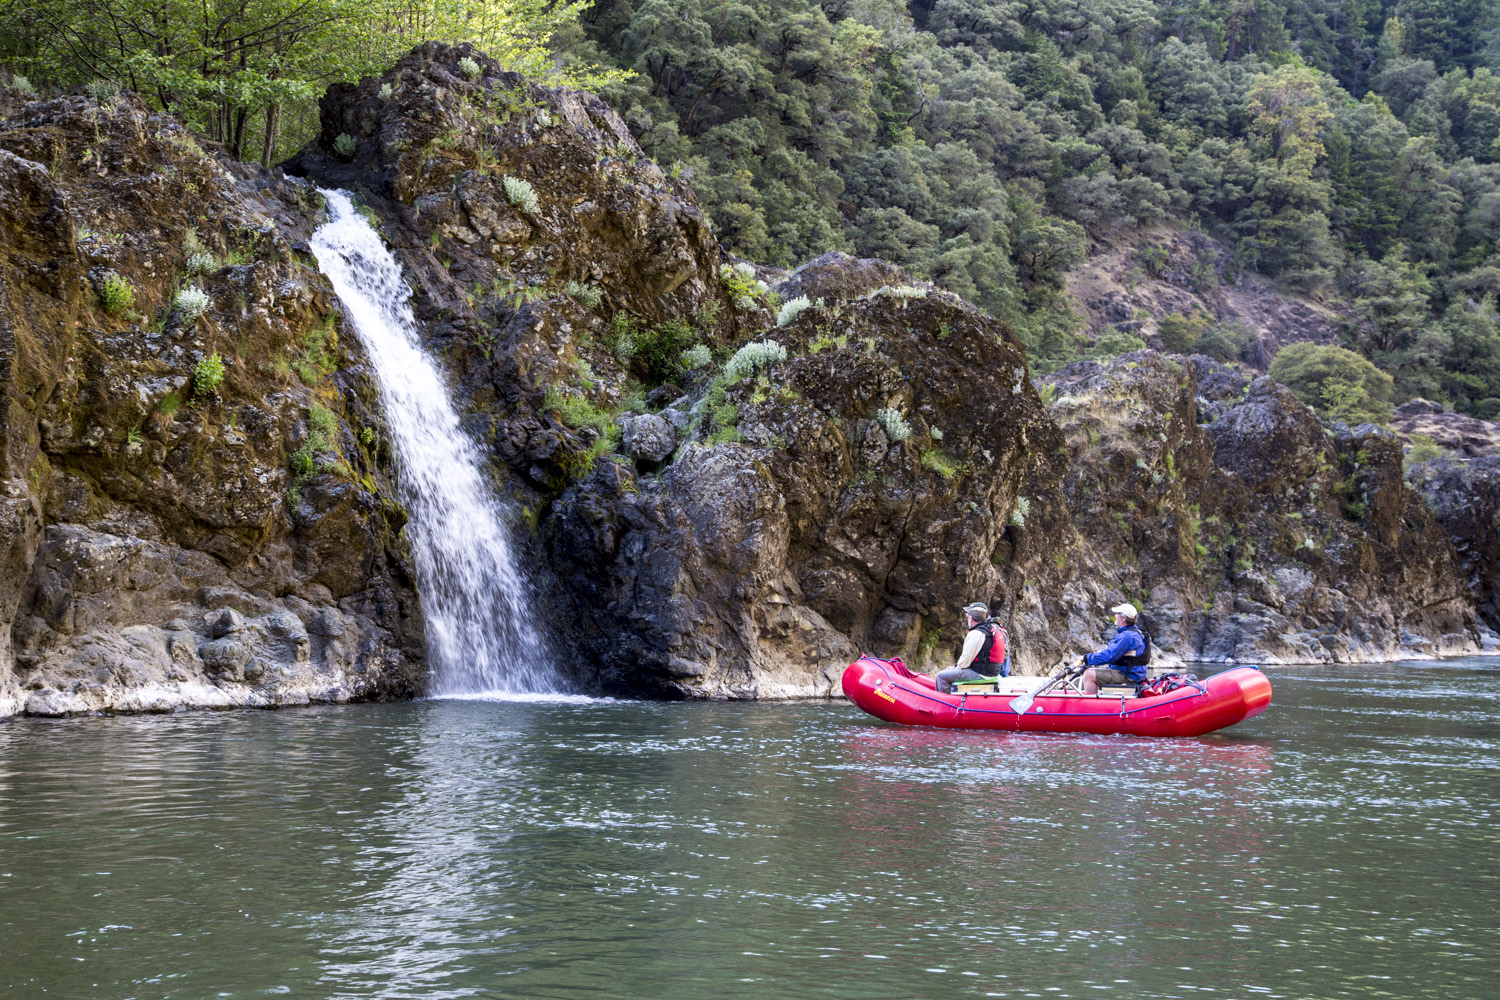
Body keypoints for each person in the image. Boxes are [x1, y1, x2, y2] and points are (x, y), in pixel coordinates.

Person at [1079, 602, 1150, 694]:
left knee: (1089, 674)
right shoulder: (1137, 633)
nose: (1115, 616)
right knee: (1095, 670)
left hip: (1128, 675)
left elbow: (1110, 656)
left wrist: (1086, 658)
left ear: (1123, 618)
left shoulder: (1127, 636)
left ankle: (1090, 704)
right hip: (1134, 673)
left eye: (1117, 614)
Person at [936, 602, 1007, 693]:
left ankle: (944, 703)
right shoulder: (991, 629)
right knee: (953, 673)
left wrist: (956, 667)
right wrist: (955, 666)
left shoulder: (976, 633)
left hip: (981, 674)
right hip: (992, 673)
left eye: (968, 616)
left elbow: (965, 661)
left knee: (942, 676)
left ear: (971, 618)